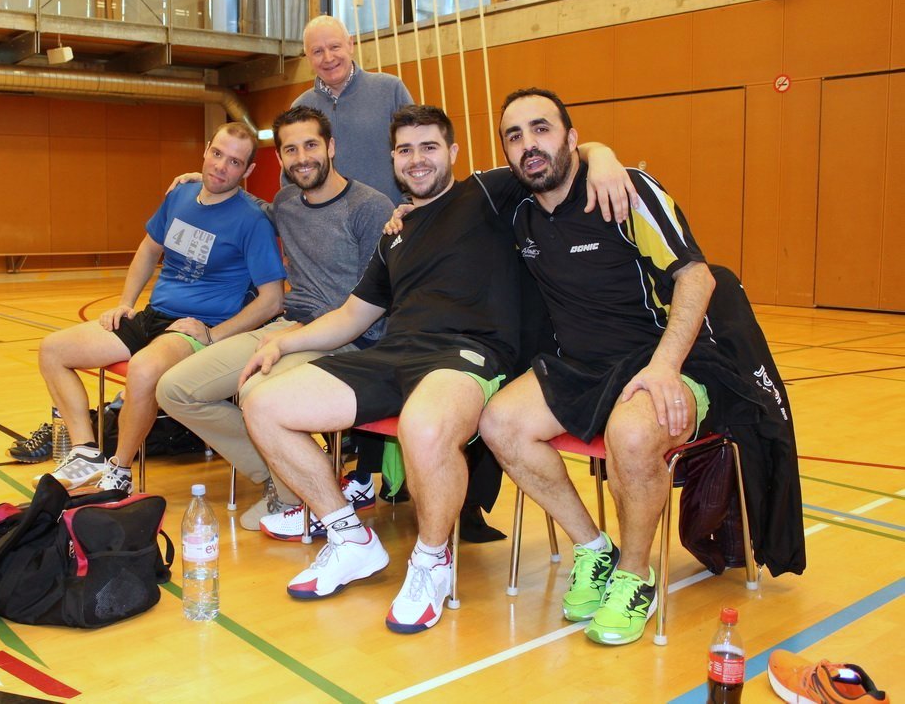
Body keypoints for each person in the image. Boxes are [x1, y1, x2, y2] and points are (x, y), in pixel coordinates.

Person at [240, 105, 633, 634]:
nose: (417, 159)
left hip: (469, 353)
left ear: (452, 152)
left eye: (429, 148)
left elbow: (551, 156)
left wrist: (602, 155)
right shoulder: (394, 233)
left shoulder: (488, 194)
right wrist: (282, 343)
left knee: (422, 427)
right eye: (405, 150)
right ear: (393, 160)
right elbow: (353, 316)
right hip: (396, 353)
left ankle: (431, 561)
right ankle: (349, 537)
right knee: (263, 403)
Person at [477, 87, 722, 646]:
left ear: (571, 137)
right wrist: (403, 213)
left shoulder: (624, 191)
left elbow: (697, 278)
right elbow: (441, 194)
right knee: (499, 423)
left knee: (631, 435)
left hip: (670, 357)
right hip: (582, 366)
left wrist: (664, 368)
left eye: (541, 129)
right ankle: (594, 548)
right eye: (514, 136)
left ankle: (635, 576)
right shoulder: (518, 212)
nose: (528, 144)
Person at [7, 122, 286, 499]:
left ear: (248, 170)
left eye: (234, 162)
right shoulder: (180, 195)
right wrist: (126, 302)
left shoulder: (252, 220)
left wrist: (213, 335)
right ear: (206, 149)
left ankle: (119, 469)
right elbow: (148, 249)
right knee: (53, 350)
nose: (221, 166)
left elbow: (272, 299)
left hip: (195, 327)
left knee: (142, 370)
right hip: (154, 314)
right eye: (217, 154)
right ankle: (86, 452)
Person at [155, 106, 395, 532]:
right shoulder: (285, 203)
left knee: (255, 393)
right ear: (281, 158)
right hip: (286, 325)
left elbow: (371, 308)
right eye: (291, 149)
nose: (302, 157)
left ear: (331, 147)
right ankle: (293, 476)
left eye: (310, 145)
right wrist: (205, 182)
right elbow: (244, 208)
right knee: (175, 389)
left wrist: (301, 337)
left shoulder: (370, 207)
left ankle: (290, 495)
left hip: (347, 338)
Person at [292, 15, 413, 206]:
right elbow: (291, 172)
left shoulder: (391, 90)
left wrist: (409, 205)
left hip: (391, 218)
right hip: (326, 222)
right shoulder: (300, 108)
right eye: (317, 51)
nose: (328, 58)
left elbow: (415, 151)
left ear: (350, 44)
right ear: (308, 57)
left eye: (334, 47)